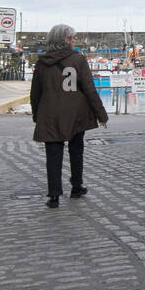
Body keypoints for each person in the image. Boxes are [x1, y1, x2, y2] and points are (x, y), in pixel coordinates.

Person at [30, 24, 108, 208]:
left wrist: (36, 115)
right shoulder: (78, 60)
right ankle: (76, 186)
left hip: (50, 113)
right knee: (76, 149)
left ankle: (54, 195)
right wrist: (101, 114)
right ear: (65, 40)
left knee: (53, 154)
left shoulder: (42, 62)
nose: (74, 41)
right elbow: (89, 89)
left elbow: (35, 93)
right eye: (72, 38)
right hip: (76, 112)